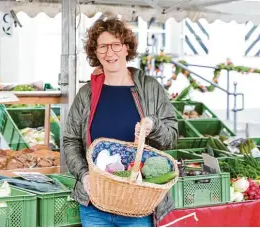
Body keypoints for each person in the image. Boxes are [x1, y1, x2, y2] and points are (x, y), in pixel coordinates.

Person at [63, 17, 178, 227]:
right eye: (103, 47)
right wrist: (84, 174)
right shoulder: (86, 94)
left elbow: (171, 136)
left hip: (139, 206)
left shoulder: (151, 88)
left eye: (116, 45)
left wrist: (153, 126)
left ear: (126, 48)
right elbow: (70, 140)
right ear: (95, 52)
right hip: (95, 205)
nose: (110, 52)